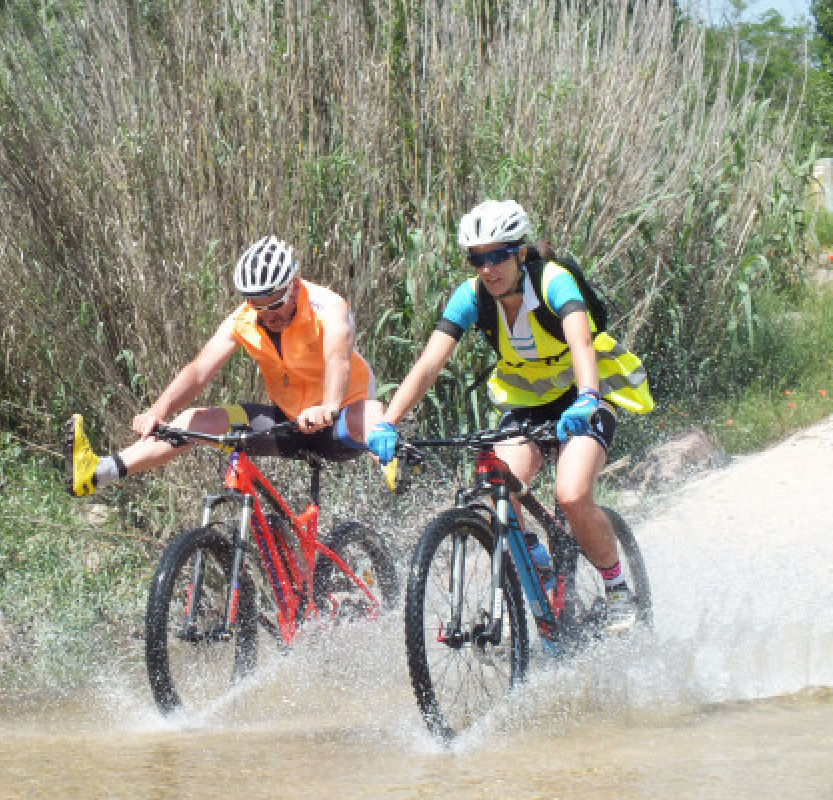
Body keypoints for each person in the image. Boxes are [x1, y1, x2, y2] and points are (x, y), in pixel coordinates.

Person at [367, 200, 653, 633]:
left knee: (573, 495)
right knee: (499, 481)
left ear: (520, 253)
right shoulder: (472, 296)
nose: (487, 268)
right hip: (527, 405)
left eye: (498, 255)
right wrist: (389, 422)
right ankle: (536, 558)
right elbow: (429, 364)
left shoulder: (553, 280)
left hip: (584, 395)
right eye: (477, 258)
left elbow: (581, 344)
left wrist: (588, 397)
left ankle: (615, 587)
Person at [65, 235, 384, 496]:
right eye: (257, 306)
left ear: (295, 285)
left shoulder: (328, 307)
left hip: (339, 420)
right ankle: (96, 472)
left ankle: (395, 462)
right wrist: (157, 411)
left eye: (274, 303)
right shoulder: (244, 319)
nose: (268, 315)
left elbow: (337, 359)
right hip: (286, 424)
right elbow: (200, 370)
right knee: (192, 420)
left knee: (369, 412)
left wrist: (328, 407)